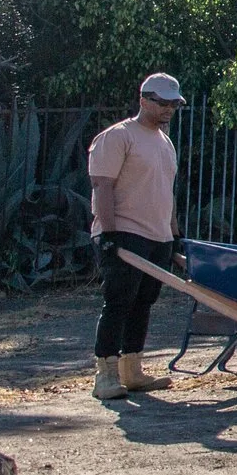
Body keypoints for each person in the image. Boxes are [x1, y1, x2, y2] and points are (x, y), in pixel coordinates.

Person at [89, 73, 186, 399]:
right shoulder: (118, 136)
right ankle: (105, 375)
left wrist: (174, 234)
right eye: (162, 103)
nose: (168, 109)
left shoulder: (165, 141)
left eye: (174, 104)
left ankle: (133, 371)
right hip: (126, 232)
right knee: (118, 302)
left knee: (143, 303)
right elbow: (102, 185)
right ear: (144, 100)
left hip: (158, 235)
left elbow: (166, 190)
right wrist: (109, 233)